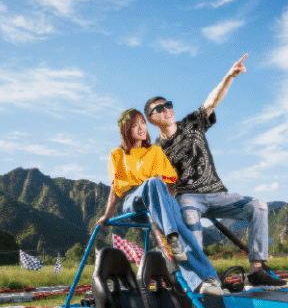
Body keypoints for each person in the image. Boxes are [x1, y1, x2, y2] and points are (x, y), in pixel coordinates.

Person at [144, 54, 286, 288]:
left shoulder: (192, 125)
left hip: (217, 193)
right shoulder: (155, 150)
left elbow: (212, 101)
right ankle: (200, 282)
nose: (166, 109)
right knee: (189, 219)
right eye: (159, 108)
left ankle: (257, 271)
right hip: (187, 197)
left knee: (259, 206)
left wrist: (229, 76)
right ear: (151, 119)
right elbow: (160, 185)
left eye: (168, 104)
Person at [97, 108, 227, 296]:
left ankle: (207, 279)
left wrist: (173, 207)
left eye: (142, 122)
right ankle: (171, 235)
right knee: (154, 185)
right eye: (135, 124)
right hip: (135, 203)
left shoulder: (155, 152)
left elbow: (166, 188)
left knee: (179, 223)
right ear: (126, 130)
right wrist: (107, 215)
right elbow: (115, 188)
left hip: (158, 203)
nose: (141, 127)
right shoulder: (117, 154)